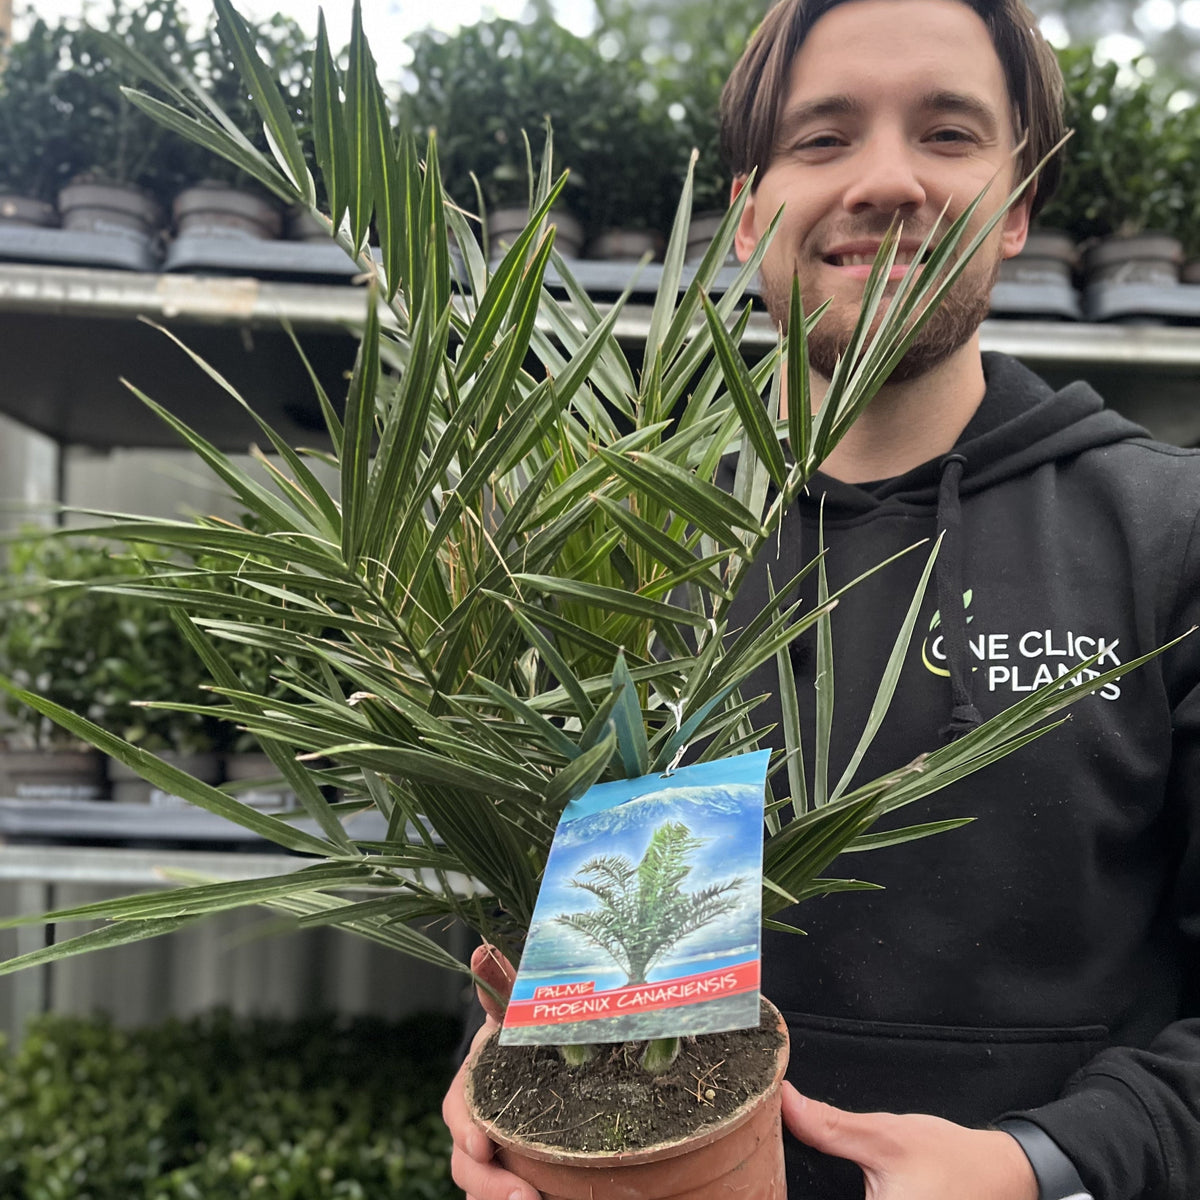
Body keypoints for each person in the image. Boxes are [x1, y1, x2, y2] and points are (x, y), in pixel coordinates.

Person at [442, 1, 1200, 1197]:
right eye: (823, 138)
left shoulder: (1169, 542)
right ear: (750, 213)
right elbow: (546, 925)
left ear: (1017, 209)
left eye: (949, 133)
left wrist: (1044, 1165)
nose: (887, 180)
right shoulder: (621, 556)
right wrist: (500, 1073)